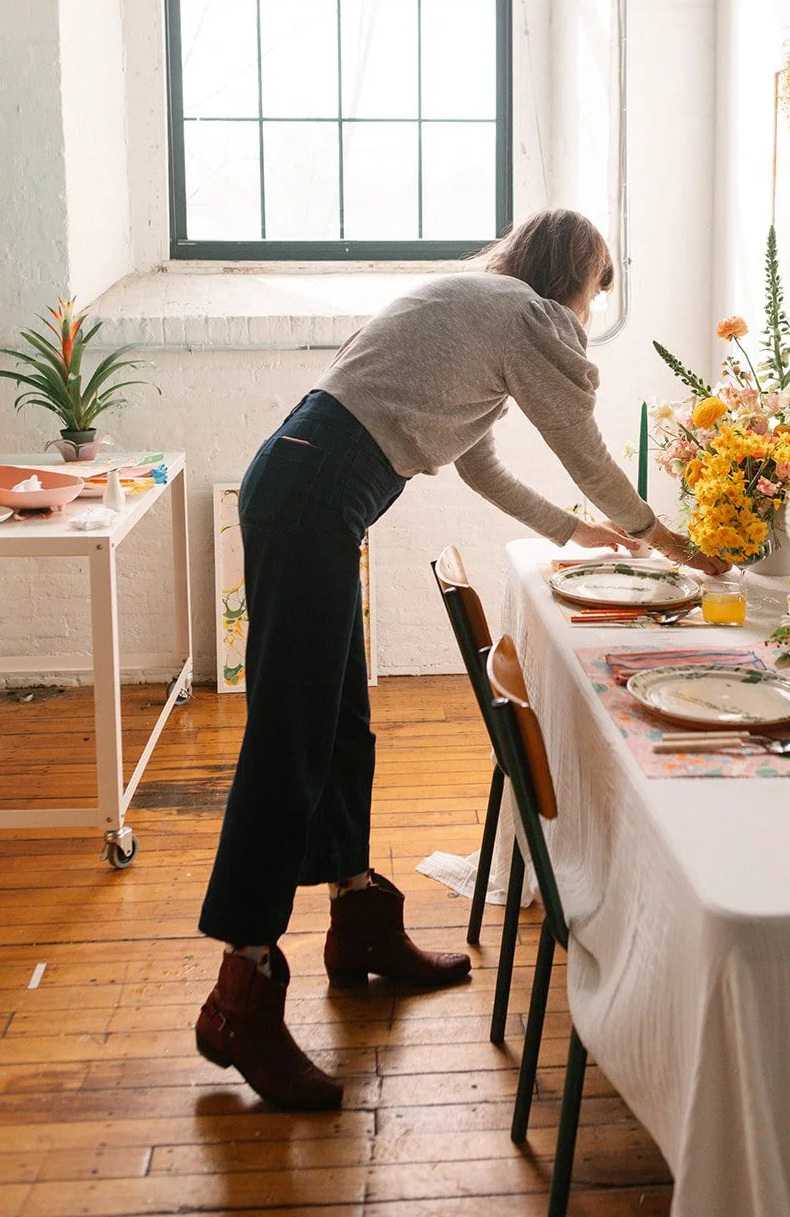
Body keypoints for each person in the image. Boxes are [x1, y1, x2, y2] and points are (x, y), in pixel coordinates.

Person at [196, 207, 719, 1110]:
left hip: (302, 480)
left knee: (341, 722)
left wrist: (575, 531)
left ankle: (358, 919)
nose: (595, 308)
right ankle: (240, 991)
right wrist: (659, 536)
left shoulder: (473, 309)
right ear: (578, 276)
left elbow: (480, 466)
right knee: (289, 740)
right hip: (313, 491)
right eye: (600, 288)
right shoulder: (527, 318)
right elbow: (583, 450)